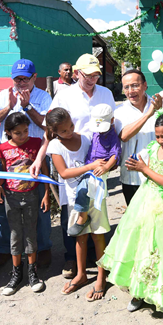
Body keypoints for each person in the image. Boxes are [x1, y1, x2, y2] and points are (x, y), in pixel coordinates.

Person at [99, 107, 163, 314]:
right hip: (146, 200)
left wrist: (143, 169)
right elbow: (150, 172)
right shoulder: (152, 147)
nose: (160, 140)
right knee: (141, 243)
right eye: (158, 136)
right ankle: (138, 290)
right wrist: (137, 166)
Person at [47, 53, 114, 277]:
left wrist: (111, 158)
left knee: (96, 205)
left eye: (96, 75)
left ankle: (97, 256)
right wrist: (40, 158)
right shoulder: (64, 95)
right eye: (88, 75)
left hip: (96, 156)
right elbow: (52, 124)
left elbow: (113, 124)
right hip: (71, 156)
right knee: (72, 208)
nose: (93, 79)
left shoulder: (105, 93)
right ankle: (72, 259)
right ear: (77, 73)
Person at [0, 59, 53, 269]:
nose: (21, 82)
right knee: (4, 205)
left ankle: (43, 248)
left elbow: (48, 125)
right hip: (9, 159)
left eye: (25, 78)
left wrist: (27, 106)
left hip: (36, 157)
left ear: (34, 77)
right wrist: (9, 106)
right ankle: (5, 248)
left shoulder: (43, 96)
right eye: (17, 78)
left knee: (40, 205)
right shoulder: (5, 94)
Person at [46, 107, 111, 300]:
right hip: (75, 199)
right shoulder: (55, 147)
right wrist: (91, 166)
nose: (70, 132)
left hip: (96, 196)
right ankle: (81, 274)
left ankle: (101, 275)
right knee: (80, 238)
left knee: (98, 236)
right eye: (64, 131)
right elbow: (64, 173)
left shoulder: (85, 139)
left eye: (71, 126)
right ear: (54, 132)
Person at [0, 112, 48, 296]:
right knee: (15, 234)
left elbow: (44, 169)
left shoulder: (35, 143)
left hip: (32, 195)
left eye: (25, 131)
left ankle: (32, 272)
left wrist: (46, 193)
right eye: (18, 133)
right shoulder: (3, 148)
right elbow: (2, 169)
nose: (23, 135)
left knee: (31, 233)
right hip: (11, 197)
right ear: (8, 132)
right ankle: (16, 273)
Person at [69, 105, 120, 236]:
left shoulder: (113, 136)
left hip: (100, 168)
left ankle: (82, 218)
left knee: (84, 188)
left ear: (112, 120)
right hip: (89, 166)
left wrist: (106, 167)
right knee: (83, 189)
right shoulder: (95, 132)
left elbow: (115, 153)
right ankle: (83, 214)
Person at [115, 69, 163, 205]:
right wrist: (148, 114)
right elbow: (124, 136)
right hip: (131, 177)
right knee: (135, 220)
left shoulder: (159, 105)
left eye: (135, 85)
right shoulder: (119, 111)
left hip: (157, 174)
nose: (131, 91)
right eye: (126, 87)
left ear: (145, 85)